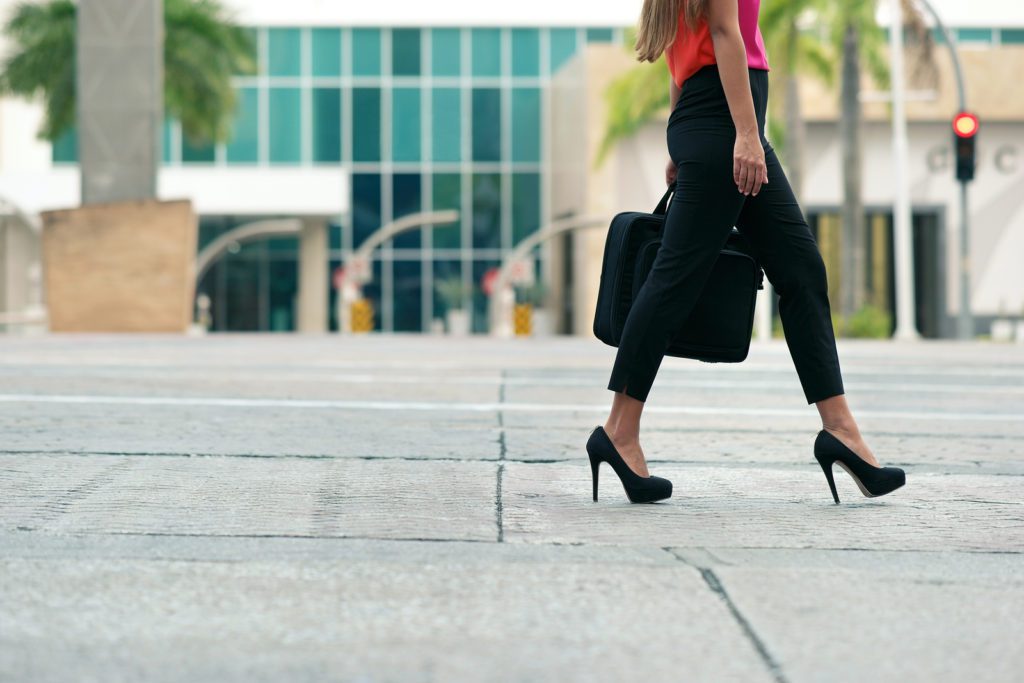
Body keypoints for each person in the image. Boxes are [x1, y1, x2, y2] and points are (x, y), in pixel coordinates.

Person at [585, 0, 906, 505]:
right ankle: (619, 431)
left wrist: (683, 137)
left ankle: (840, 430)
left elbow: (683, 47)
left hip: (710, 118)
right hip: (727, 123)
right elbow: (723, 32)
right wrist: (747, 136)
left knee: (800, 270)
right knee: (674, 278)